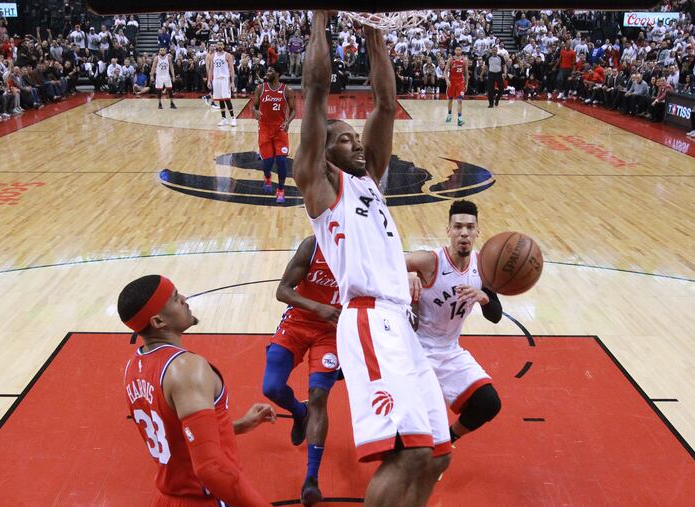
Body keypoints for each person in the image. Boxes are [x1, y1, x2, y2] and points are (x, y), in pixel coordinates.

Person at [292, 11, 451, 506]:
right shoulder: (319, 185)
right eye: (344, 138)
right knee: (403, 454)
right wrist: (321, 17)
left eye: (356, 138)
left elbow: (386, 103)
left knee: (437, 454)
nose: (356, 142)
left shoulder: (368, 179)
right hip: (367, 318)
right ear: (324, 151)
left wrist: (374, 27)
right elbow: (316, 91)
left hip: (399, 322)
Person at [118, 275, 274, 506]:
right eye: (174, 299)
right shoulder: (186, 368)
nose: (184, 299)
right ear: (159, 322)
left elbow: (179, 435)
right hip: (202, 499)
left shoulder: (134, 367)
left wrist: (239, 426)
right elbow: (210, 469)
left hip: (165, 498)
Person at [406, 200, 503, 449]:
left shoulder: (482, 267)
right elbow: (386, 263)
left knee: (488, 402)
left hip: (449, 350)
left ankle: (449, 440)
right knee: (421, 421)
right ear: (448, 230)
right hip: (417, 350)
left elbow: (495, 315)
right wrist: (406, 273)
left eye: (470, 227)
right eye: (458, 226)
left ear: (477, 232)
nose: (464, 233)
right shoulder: (430, 261)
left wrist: (483, 298)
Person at [261, 236, 342, 505]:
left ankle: (311, 479)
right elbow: (283, 291)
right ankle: (299, 411)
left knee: (319, 395)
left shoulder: (366, 248)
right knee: (270, 387)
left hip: (331, 332)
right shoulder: (313, 245)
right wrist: (317, 307)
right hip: (298, 321)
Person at [252, 64, 296, 203]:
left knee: (282, 161)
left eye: (270, 70)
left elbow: (293, 110)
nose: (267, 72)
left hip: (280, 130)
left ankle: (281, 190)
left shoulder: (287, 90)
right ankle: (267, 176)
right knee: (268, 163)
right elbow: (254, 105)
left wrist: (288, 122)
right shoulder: (260, 88)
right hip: (264, 129)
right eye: (268, 70)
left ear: (277, 74)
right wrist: (255, 111)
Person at [206, 40, 237, 126]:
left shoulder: (228, 55)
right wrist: (209, 80)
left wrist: (232, 81)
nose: (219, 46)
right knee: (220, 99)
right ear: (216, 45)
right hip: (216, 79)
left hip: (225, 79)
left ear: (223, 46)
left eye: (221, 44)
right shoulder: (213, 56)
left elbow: (232, 69)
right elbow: (211, 69)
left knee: (227, 98)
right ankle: (224, 118)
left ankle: (233, 118)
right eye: (218, 44)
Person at [445, 46, 469, 125]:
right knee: (450, 100)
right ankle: (449, 114)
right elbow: (445, 72)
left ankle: (459, 119)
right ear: (454, 51)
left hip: (460, 83)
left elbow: (466, 73)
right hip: (452, 82)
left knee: (460, 100)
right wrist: (447, 80)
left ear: (461, 51)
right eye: (457, 49)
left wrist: (466, 84)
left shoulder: (464, 60)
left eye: (459, 50)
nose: (458, 51)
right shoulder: (450, 60)